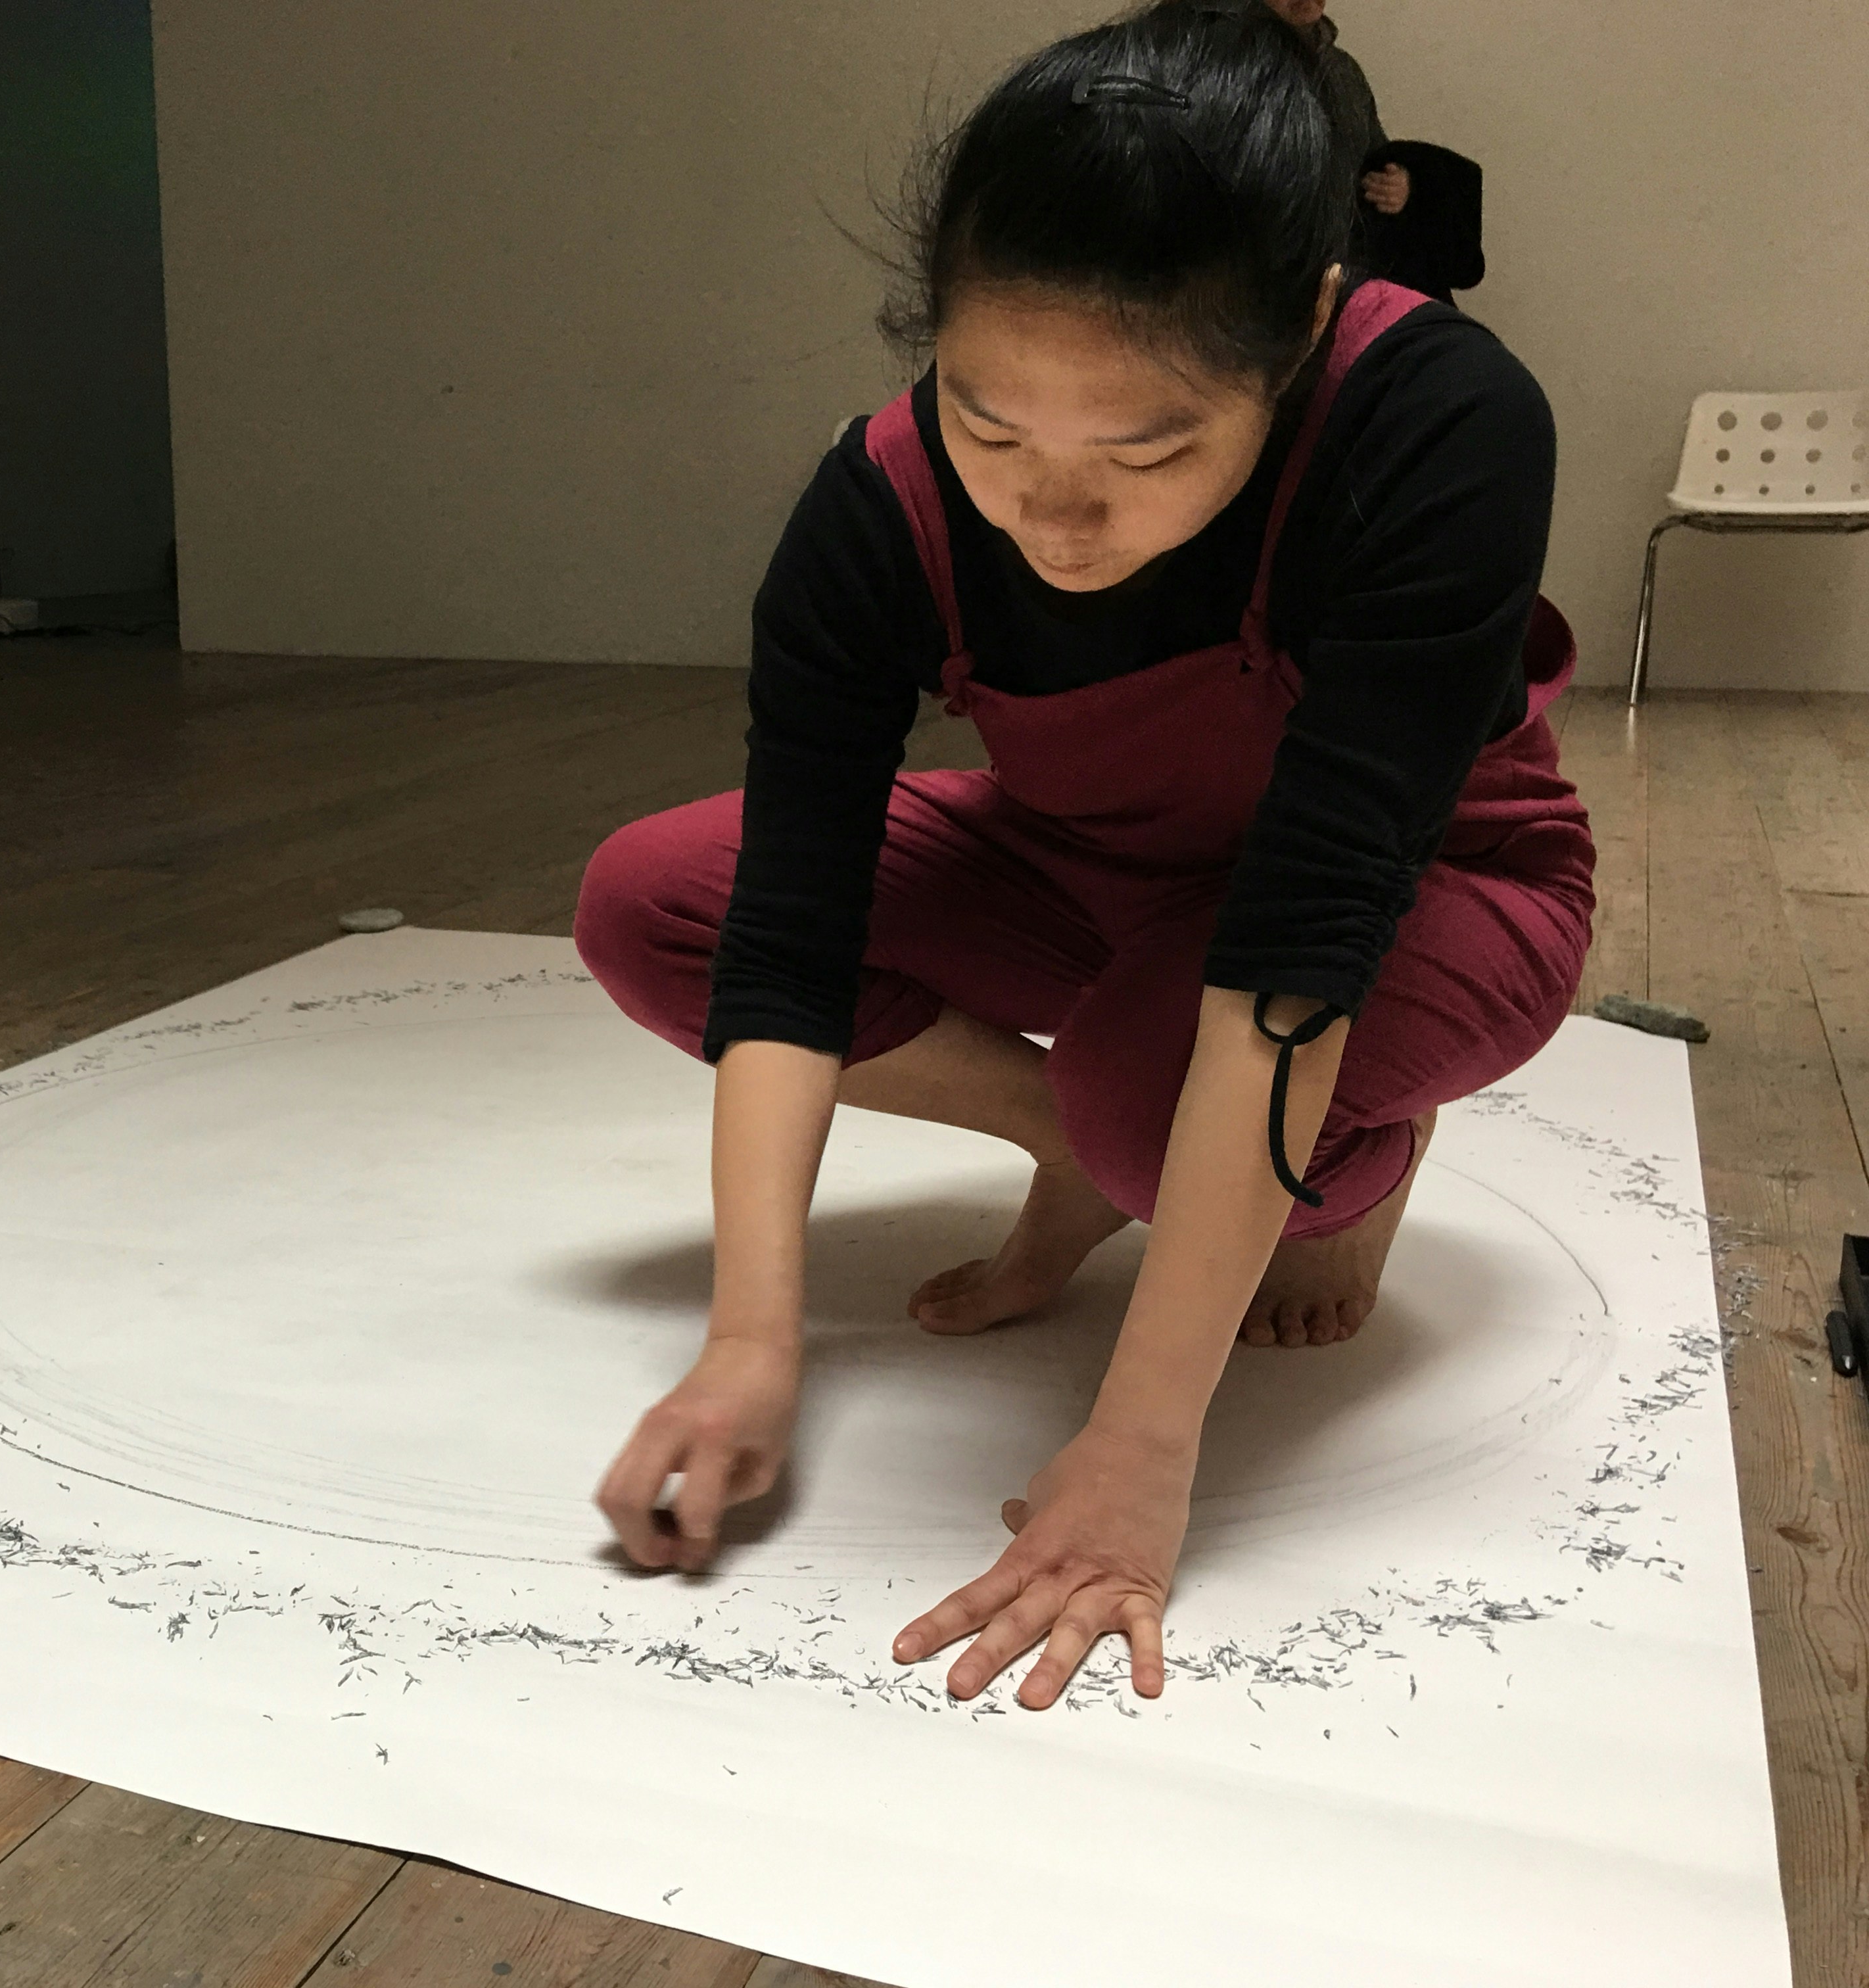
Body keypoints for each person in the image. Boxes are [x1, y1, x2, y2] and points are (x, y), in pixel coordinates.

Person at [573, 0, 1589, 1711]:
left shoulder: (1440, 421)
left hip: (1432, 893)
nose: (1052, 516)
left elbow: (1306, 934)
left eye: (1149, 453)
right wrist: (751, 1345)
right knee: (658, 900)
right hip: (1088, 866)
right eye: (993, 429)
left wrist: (1138, 1443)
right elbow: (795, 928)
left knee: (1157, 1075)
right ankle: (1103, 1152)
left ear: (1304, 340)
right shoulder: (882, 491)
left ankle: (1277, 1162)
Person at [1261, 0, 1409, 219]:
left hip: (1344, 248)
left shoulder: (1343, 71)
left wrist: (1394, 186)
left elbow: (1378, 161)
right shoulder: (1223, 68)